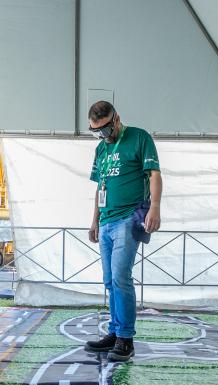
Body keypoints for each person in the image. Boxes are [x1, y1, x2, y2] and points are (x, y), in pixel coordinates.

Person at [85, 101, 162, 361]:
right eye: (96, 131)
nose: (102, 136)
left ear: (116, 120)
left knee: (120, 276)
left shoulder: (139, 137)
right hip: (106, 221)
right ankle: (115, 332)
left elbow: (153, 174)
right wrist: (94, 220)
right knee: (109, 281)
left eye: (105, 130)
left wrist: (156, 207)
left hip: (129, 218)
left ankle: (126, 339)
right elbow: (99, 187)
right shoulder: (100, 149)